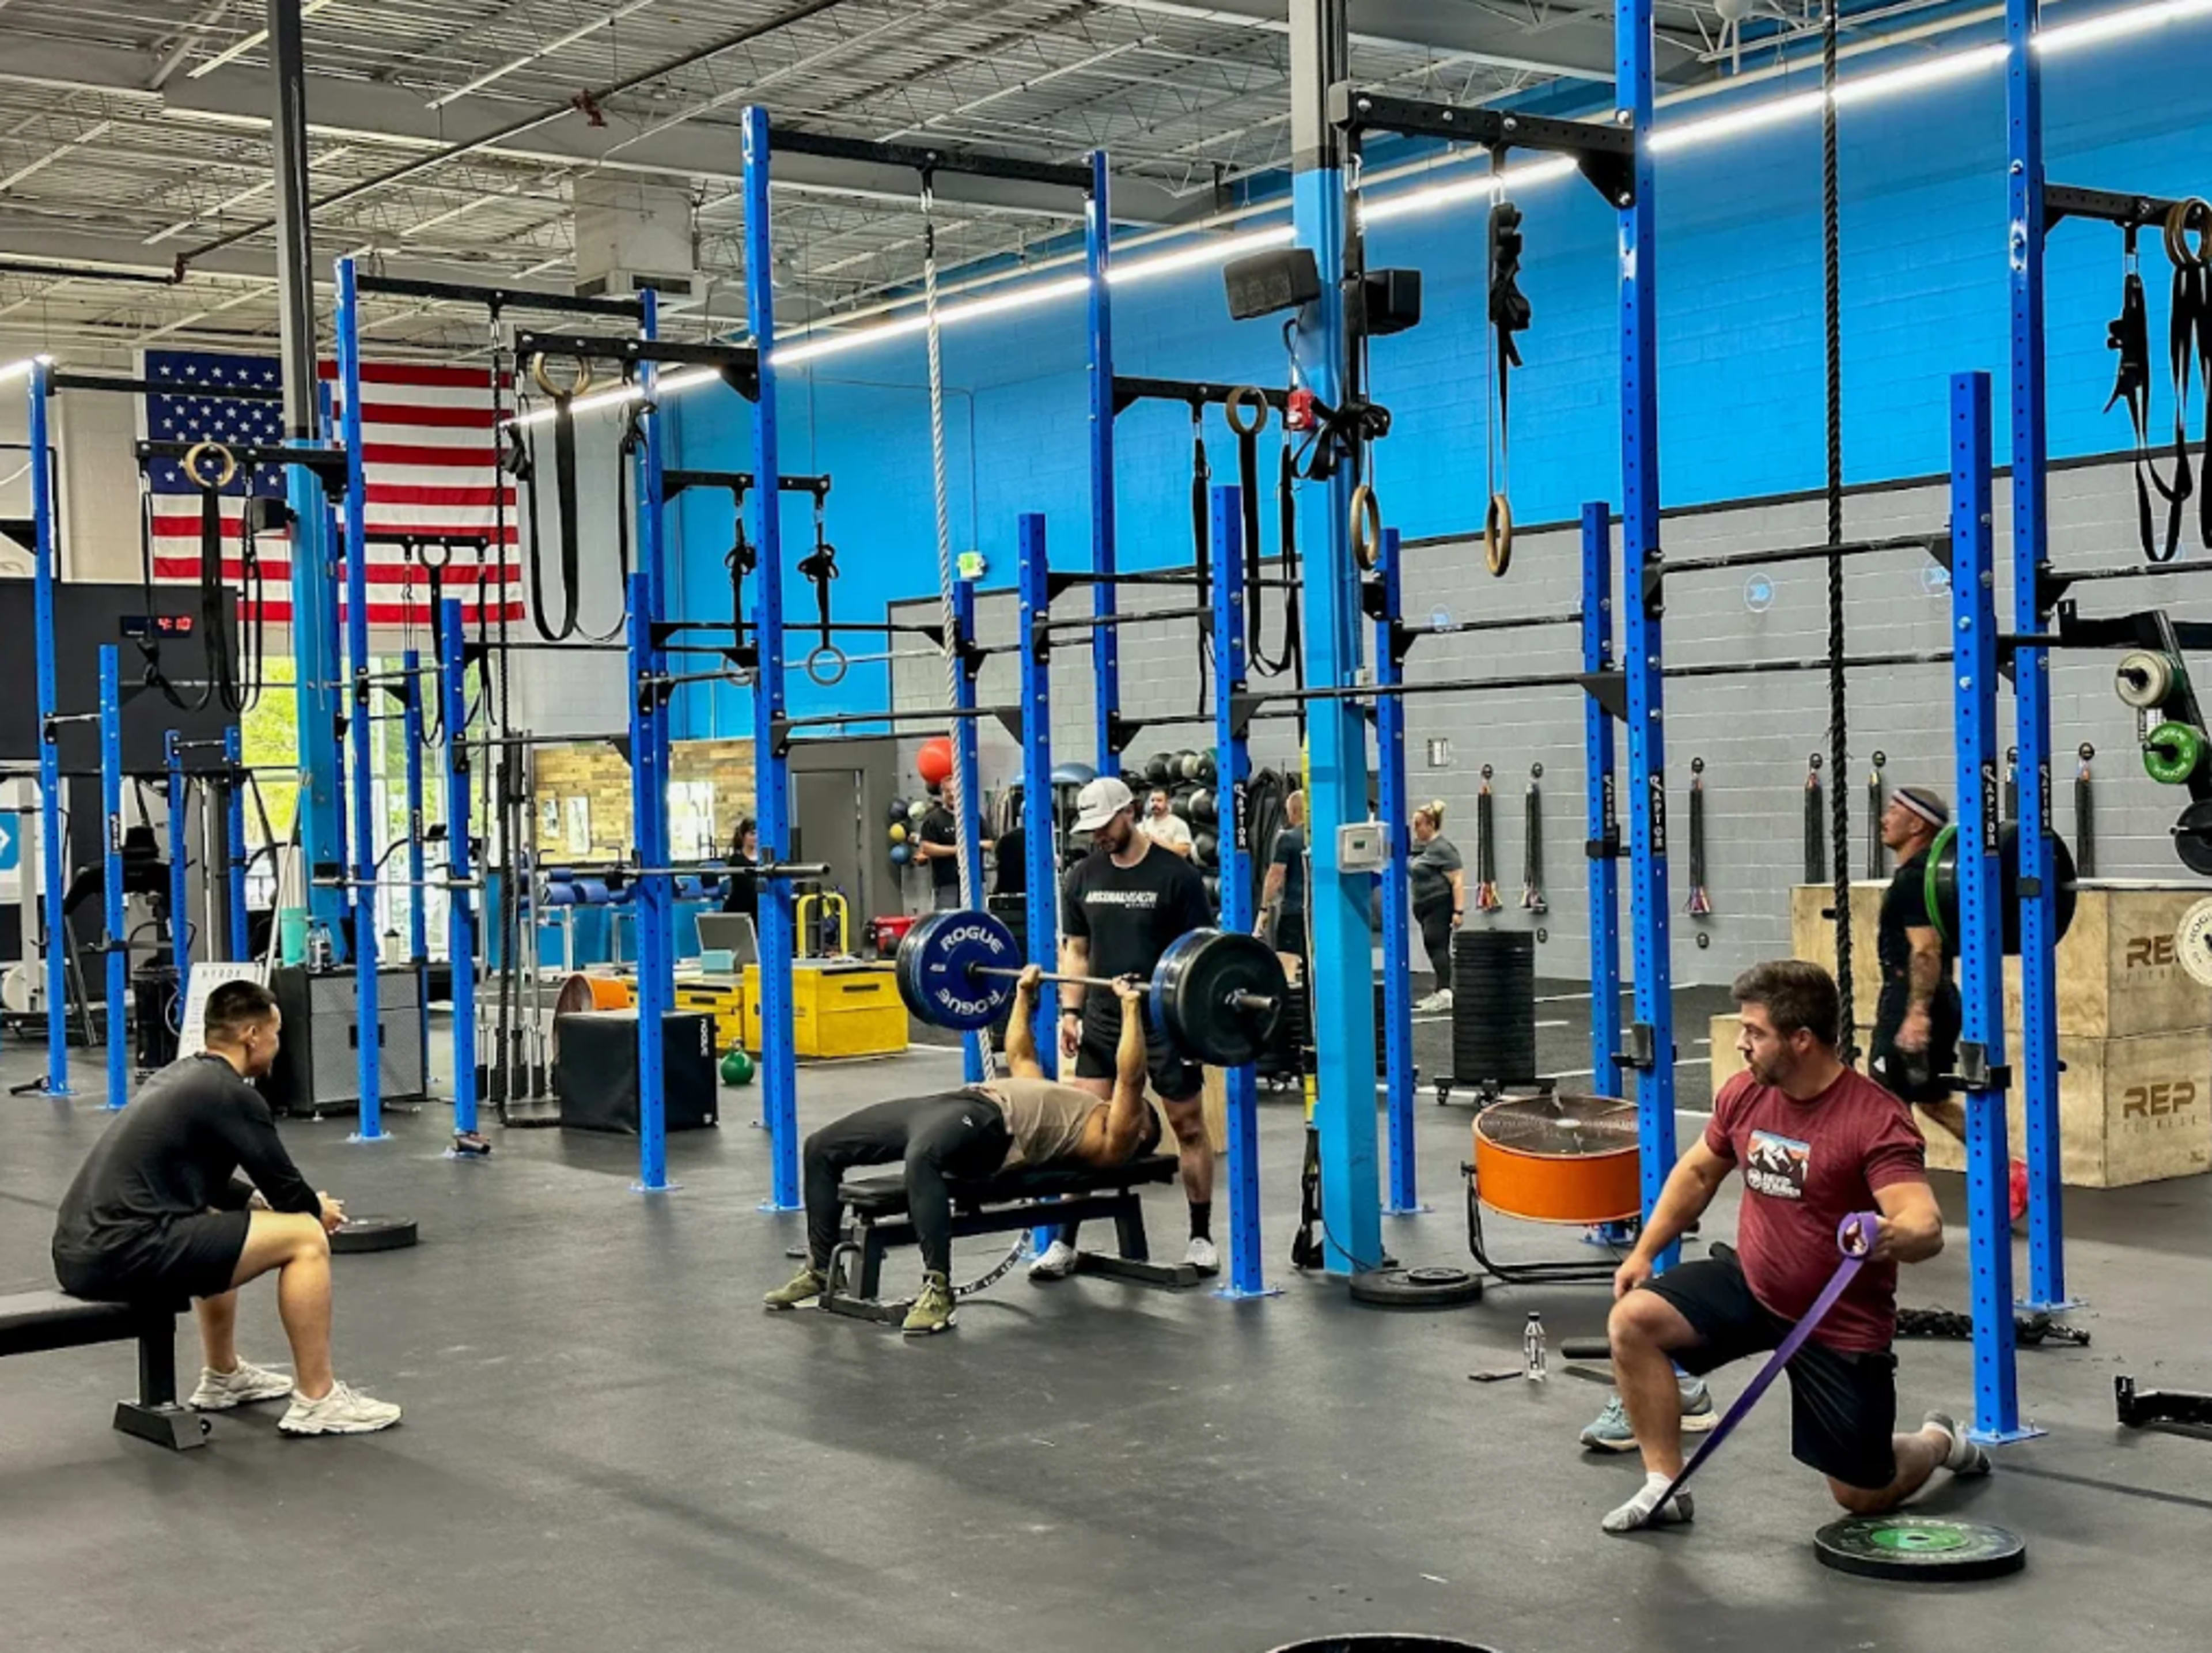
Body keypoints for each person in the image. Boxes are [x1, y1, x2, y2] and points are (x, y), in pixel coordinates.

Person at [1586, 960, 1987, 1535]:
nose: (1742, 1044)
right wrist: (1643, 1252)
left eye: (1755, 1032)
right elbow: (1699, 1173)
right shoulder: (1747, 1094)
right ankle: (1664, 1485)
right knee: (1634, 1320)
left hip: (1836, 1323)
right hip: (1755, 1285)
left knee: (1862, 1496)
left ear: (1802, 1040)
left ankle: (1939, 1439)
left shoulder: (1875, 1118)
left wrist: (1885, 1234)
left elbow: (1923, 1224)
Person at [49, 979, 401, 1436]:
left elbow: (204, 1180)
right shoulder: (234, 1094)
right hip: (122, 1250)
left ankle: (223, 1376)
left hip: (81, 1252)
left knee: (218, 1221)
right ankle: (319, 1399)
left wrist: (255, 1203)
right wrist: (319, 1209)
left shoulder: (182, 1077)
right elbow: (289, 1193)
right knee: (305, 1237)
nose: (277, 1047)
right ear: (252, 1034)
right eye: (276, 1034)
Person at [763, 967, 1161, 1335]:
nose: (1115, 1102)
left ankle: (939, 1290)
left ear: (1140, 1132)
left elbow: (1130, 1077)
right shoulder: (1064, 1098)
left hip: (990, 1127)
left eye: (1132, 1111)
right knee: (822, 1147)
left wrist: (1130, 1008)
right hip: (951, 1103)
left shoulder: (1114, 1139)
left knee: (924, 1157)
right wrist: (1024, 995)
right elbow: (1021, 1055)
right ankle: (820, 1269)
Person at [1033, 774, 1218, 1279]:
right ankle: (1065, 1241)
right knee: (1084, 1130)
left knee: (1188, 1125)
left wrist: (1199, 1027)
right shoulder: (1083, 876)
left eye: (1105, 824)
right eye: (1090, 828)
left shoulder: (1176, 876)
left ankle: (1201, 1235)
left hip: (1163, 1018)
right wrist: (1070, 1013)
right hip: (1103, 1017)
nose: (1098, 835)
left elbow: (1204, 955)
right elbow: (1076, 951)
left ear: (1130, 812)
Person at [1864, 786, 2027, 1222]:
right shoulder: (1925, 876)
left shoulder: (1915, 879)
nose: (1885, 818)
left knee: (1884, 1105)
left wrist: (1916, 1014)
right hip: (1935, 998)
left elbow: (1925, 950)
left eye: (1895, 811)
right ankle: (2009, 1170)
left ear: (1918, 824)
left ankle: (1897, 1204)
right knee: (1931, 1100)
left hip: (1916, 1001)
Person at [1408, 800, 1467, 1013]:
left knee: (1437, 946)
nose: (1415, 828)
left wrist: (1458, 911)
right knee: (1432, 947)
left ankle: (1445, 993)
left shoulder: (1443, 848)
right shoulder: (1422, 849)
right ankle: (1440, 991)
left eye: (1418, 824)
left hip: (1439, 904)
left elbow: (1458, 880)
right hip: (1424, 906)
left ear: (1431, 825)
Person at [1255, 790, 1307, 962]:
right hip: (1320, 912)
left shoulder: (1288, 839)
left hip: (1294, 912)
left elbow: (1275, 877)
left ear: (1293, 811)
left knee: (1288, 963)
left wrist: (1264, 909)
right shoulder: (1324, 838)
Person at [915, 788, 968, 911]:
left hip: (972, 882)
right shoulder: (933, 819)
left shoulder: (972, 816)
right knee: (948, 920)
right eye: (948, 792)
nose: (953, 794)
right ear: (943, 794)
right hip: (946, 882)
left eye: (955, 791)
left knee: (974, 921)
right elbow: (927, 848)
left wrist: (974, 846)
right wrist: (957, 850)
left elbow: (989, 843)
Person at [720, 816, 760, 921]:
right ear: (743, 836)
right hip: (741, 911)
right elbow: (749, 886)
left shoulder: (763, 860)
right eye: (752, 834)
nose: (756, 837)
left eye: (758, 834)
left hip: (758, 910)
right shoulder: (736, 860)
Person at [1139, 788, 1196, 859]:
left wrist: (1156, 842)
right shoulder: (1142, 826)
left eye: (1159, 801)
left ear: (1167, 803)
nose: (1155, 804)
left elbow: (1183, 852)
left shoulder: (1178, 824)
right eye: (1152, 800)